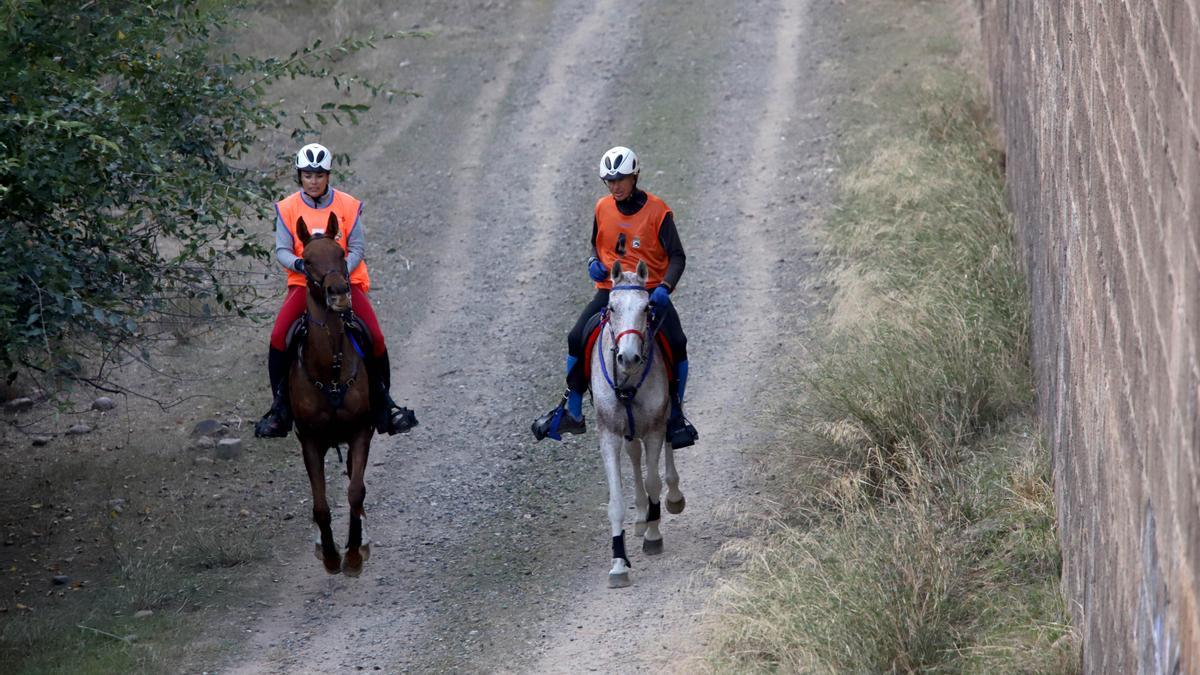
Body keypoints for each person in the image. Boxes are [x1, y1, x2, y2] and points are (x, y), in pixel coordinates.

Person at [531, 146, 699, 448]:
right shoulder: (602, 207)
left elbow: (677, 256)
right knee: (576, 337)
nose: (615, 186)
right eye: (609, 181)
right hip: (613, 292)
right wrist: (593, 263)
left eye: (620, 179)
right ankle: (572, 411)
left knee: (677, 343)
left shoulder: (658, 211)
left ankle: (675, 415)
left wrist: (665, 287)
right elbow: (596, 245)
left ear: (634, 176)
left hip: (650, 292)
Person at [254, 142, 416, 438]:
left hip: (346, 283)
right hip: (304, 285)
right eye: (307, 175)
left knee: (375, 336)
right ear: (299, 176)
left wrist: (339, 273)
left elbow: (356, 247)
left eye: (318, 175)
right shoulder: (287, 207)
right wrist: (301, 266)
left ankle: (385, 404)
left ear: (328, 176)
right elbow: (281, 250)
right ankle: (280, 408)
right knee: (279, 336)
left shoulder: (347, 205)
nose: (313, 181)